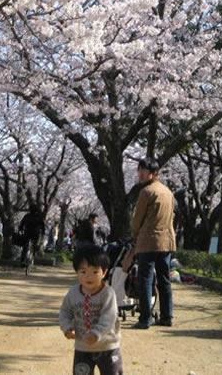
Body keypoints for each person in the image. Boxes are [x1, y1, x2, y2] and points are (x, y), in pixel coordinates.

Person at [59, 244, 123, 375]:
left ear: (104, 272)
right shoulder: (73, 293)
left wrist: (96, 333)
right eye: (83, 272)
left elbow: (109, 317)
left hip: (107, 347)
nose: (89, 277)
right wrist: (66, 327)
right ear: (77, 272)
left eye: (95, 272)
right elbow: (65, 311)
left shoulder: (108, 294)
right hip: (82, 347)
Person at [130, 156, 176, 329]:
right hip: (166, 242)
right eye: (139, 169)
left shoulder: (146, 192)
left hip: (149, 241)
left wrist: (134, 235)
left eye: (145, 170)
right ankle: (166, 316)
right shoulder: (168, 192)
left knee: (145, 279)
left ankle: (145, 318)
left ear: (154, 173)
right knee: (164, 279)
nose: (140, 173)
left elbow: (137, 220)